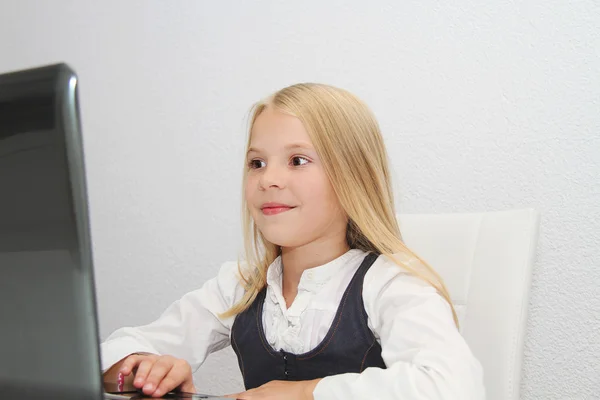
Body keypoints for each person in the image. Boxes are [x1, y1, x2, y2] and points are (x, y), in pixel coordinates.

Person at [101, 83, 485, 399]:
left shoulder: (391, 284)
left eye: (298, 160)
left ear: (353, 176)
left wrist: (303, 393)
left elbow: (453, 386)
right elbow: (107, 352)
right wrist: (141, 368)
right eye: (257, 163)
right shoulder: (241, 286)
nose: (268, 179)